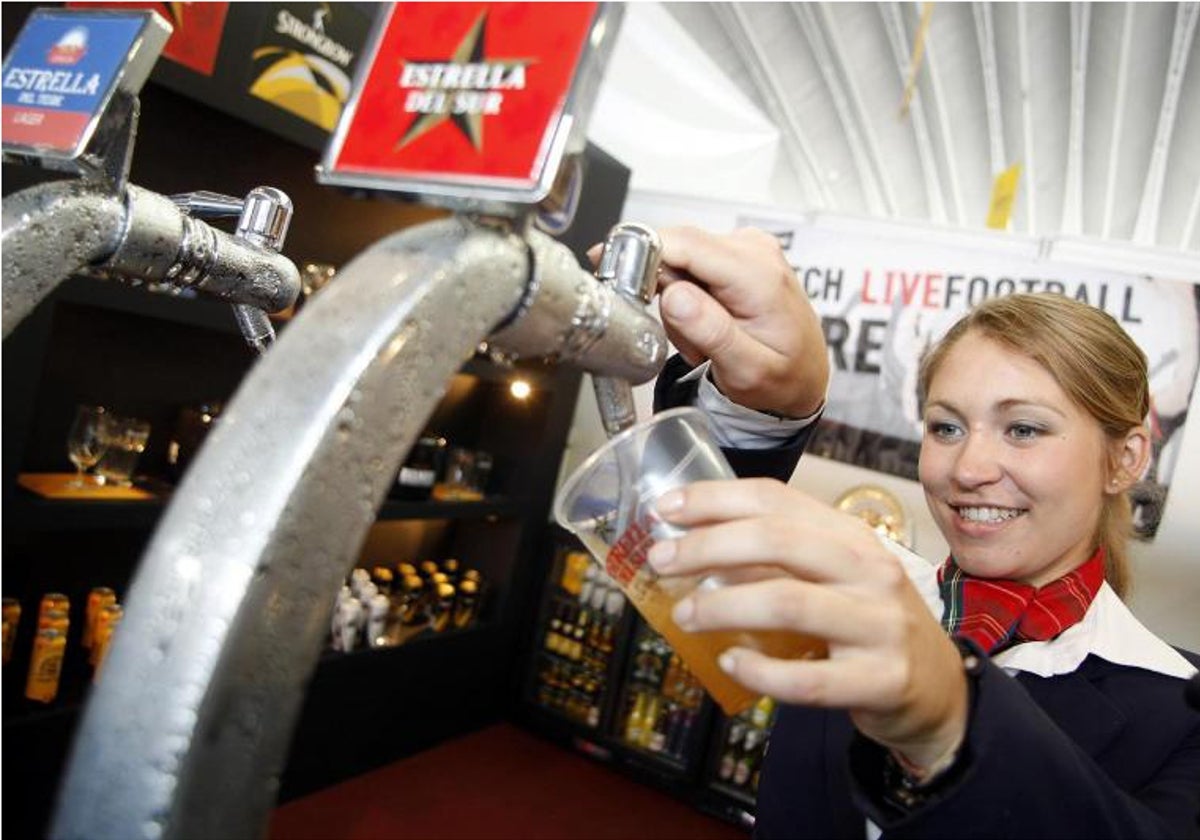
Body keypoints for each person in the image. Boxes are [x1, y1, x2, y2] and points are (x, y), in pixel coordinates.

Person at [642, 225, 1200, 838]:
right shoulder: (855, 587)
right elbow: (672, 549)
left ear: (1125, 460)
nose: (968, 469)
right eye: (946, 428)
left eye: (1024, 430)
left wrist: (952, 722)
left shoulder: (1180, 711)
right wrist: (769, 406)